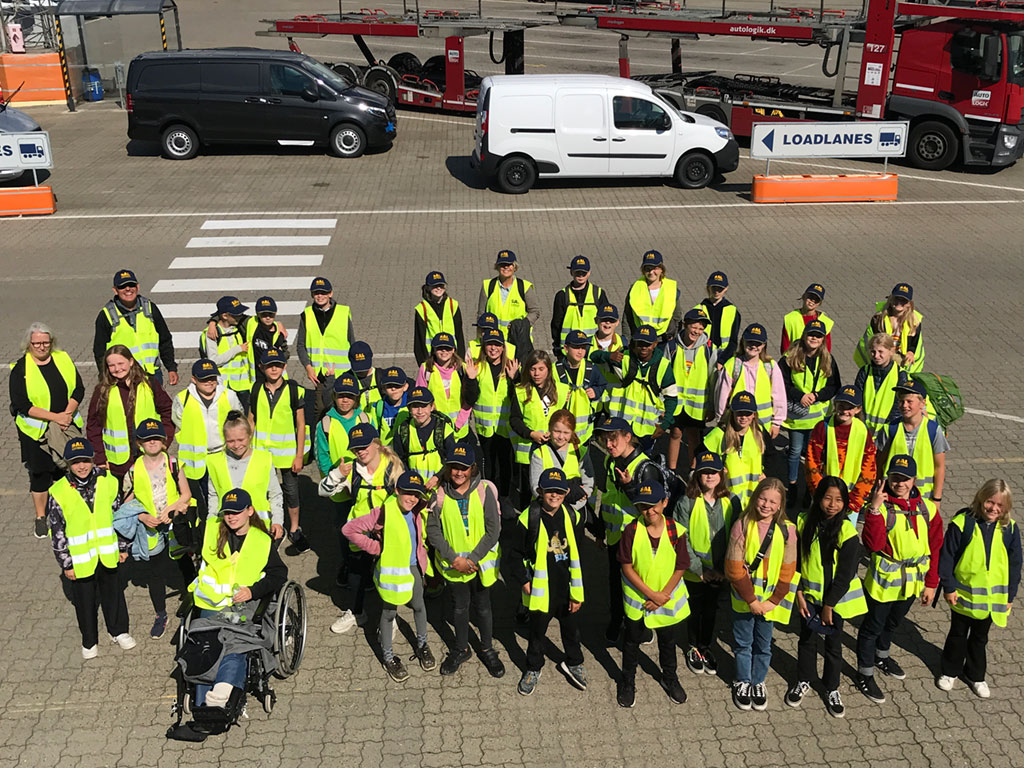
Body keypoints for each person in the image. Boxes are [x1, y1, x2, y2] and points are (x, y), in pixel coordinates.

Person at [186, 488, 287, 715]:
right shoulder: (212, 530)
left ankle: (222, 693)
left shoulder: (262, 541)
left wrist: (252, 591)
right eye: (227, 512)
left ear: (249, 511)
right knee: (206, 641)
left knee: (233, 639)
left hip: (242, 605)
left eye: (237, 512)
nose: (231, 517)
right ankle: (204, 700)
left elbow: (279, 574)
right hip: (212, 603)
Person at [855, 455, 943, 704]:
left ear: (914, 480)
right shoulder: (880, 508)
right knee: (872, 627)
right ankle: (865, 673)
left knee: (893, 623)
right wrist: (872, 509)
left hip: (912, 582)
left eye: (905, 479)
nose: (900, 484)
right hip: (883, 583)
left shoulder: (928, 508)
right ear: (887, 479)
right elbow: (873, 545)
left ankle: (881, 656)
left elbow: (936, 547)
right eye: (895, 478)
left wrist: (932, 583)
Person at [343, 471, 436, 682]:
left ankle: (422, 644)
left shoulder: (417, 508)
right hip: (393, 572)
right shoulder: (383, 512)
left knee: (419, 606)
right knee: (388, 613)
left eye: (416, 494)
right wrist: (376, 547)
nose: (412, 498)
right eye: (407, 493)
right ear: (396, 491)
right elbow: (349, 529)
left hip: (414, 567)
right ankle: (388, 657)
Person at [47, 437, 135, 658]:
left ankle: (118, 631)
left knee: (113, 594)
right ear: (68, 464)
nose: (82, 466)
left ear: (93, 460)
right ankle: (89, 641)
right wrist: (66, 564)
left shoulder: (109, 481)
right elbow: (57, 532)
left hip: (108, 553)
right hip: (80, 560)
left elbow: (120, 517)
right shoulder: (58, 491)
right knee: (84, 602)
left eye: (86, 460)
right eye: (76, 462)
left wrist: (123, 546)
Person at [425, 443, 505, 678]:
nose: (458, 473)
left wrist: (472, 559)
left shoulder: (484, 491)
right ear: (448, 468)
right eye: (454, 468)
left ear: (472, 468)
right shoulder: (438, 494)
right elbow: (433, 531)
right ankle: (461, 648)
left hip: (478, 566)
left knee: (483, 607)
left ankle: (487, 648)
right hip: (454, 566)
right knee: (459, 608)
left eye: (463, 468)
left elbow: (493, 529)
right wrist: (454, 559)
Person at [789, 477, 867, 718]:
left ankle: (831, 688)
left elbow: (845, 575)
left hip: (834, 602)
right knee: (807, 640)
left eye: (839, 500)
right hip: (808, 597)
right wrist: (799, 594)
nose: (832, 504)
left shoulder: (847, 531)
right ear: (817, 498)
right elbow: (795, 561)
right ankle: (804, 680)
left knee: (833, 646)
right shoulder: (802, 521)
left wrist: (829, 606)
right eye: (827, 498)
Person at [937, 480, 1020, 698]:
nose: (994, 509)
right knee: (957, 634)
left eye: (1000, 505)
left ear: (1007, 507)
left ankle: (975, 674)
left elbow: (1015, 564)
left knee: (980, 638)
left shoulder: (1010, 528)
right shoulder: (962, 523)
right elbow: (946, 556)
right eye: (989, 502)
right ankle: (949, 671)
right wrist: (948, 586)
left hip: (992, 599)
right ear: (980, 499)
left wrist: (1010, 595)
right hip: (962, 595)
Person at [319, 423, 404, 634]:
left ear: (376, 444)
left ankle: (389, 619)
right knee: (356, 572)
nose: (360, 452)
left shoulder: (393, 466)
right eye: (356, 448)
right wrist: (337, 474)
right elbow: (323, 492)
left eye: (364, 446)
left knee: (387, 574)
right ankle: (357, 612)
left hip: (385, 531)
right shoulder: (350, 468)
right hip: (358, 531)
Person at [510, 468, 587, 696]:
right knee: (536, 633)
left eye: (559, 492)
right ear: (540, 491)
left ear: (565, 494)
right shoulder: (528, 518)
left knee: (571, 629)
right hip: (540, 589)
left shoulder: (573, 516)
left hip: (566, 586)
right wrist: (524, 581)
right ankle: (534, 667)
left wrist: (577, 592)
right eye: (549, 491)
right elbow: (514, 555)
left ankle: (574, 662)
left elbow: (578, 555)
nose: (554, 496)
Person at [726, 478, 798, 712]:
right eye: (763, 498)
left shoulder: (788, 530)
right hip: (746, 600)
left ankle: (758, 681)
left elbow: (788, 569)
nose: (766, 505)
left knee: (764, 644)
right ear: (756, 497)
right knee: (743, 643)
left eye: (773, 502)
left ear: (780, 505)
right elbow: (733, 568)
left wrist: (772, 601)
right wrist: (753, 601)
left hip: (769, 603)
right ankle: (743, 681)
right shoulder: (743, 525)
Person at [617, 481, 690, 707]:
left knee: (668, 642)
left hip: (664, 601)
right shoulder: (631, 530)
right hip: (639, 601)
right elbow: (626, 566)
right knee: (631, 643)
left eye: (654, 505)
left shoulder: (676, 531)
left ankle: (670, 678)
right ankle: (627, 681)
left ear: (665, 502)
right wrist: (651, 594)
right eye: (643, 507)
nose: (650, 511)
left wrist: (663, 595)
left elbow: (681, 566)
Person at [10, 322, 85, 538]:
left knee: (67, 470)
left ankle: (68, 512)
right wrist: (56, 417)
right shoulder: (20, 369)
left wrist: (67, 414)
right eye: (37, 343)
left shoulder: (63, 358)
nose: (42, 347)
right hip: (36, 433)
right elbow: (21, 404)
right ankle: (41, 517)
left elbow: (78, 389)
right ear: (29, 344)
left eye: (45, 342)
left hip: (65, 426)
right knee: (40, 473)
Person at [120, 418, 193, 639]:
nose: (151, 442)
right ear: (139, 444)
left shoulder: (173, 463)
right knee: (155, 573)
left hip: (175, 525)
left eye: (156, 438)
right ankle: (161, 614)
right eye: (146, 439)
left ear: (164, 442)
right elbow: (126, 505)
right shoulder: (133, 471)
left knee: (185, 563)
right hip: (150, 529)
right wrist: (142, 516)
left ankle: (194, 600)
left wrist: (172, 509)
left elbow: (186, 494)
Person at [593, 416, 661, 643]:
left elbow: (652, 511)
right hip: (615, 537)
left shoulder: (645, 468)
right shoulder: (610, 462)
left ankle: (639, 628)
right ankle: (616, 621)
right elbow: (608, 499)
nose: (609, 445)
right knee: (615, 583)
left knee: (636, 586)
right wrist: (601, 531)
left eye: (613, 439)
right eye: (605, 440)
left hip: (637, 541)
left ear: (628, 437)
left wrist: (630, 487)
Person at [674, 451, 736, 676]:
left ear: (722, 474)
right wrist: (700, 569)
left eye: (714, 472)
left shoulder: (731, 501)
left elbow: (736, 539)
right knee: (694, 611)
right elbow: (682, 539)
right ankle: (693, 647)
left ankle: (705, 646)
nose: (709, 476)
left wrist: (721, 569)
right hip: (695, 573)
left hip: (719, 572)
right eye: (704, 472)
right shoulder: (686, 502)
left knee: (710, 611)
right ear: (697, 475)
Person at [86, 345, 174, 485]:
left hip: (150, 456)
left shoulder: (149, 383)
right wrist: (100, 459)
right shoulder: (103, 390)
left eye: (121, 363)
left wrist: (165, 440)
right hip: (118, 465)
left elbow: (168, 411)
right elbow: (93, 427)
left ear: (131, 361)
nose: (117, 369)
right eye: (112, 365)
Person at [249, 349, 309, 553]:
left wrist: (299, 455)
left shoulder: (294, 390)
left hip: (287, 455)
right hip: (262, 453)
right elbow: (251, 420)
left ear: (284, 366)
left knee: (291, 492)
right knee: (264, 492)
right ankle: (269, 526)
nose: (273, 369)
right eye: (269, 365)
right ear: (261, 367)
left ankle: (294, 529)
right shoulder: (255, 389)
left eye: (278, 365)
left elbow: (301, 424)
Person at [314, 373, 370, 586]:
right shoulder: (325, 424)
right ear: (334, 396)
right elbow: (323, 458)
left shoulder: (364, 418)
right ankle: (348, 565)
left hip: (364, 484)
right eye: (341, 396)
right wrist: (336, 479)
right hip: (340, 489)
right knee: (344, 528)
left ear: (356, 398)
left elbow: (375, 448)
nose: (345, 400)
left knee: (365, 525)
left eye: (350, 396)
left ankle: (366, 566)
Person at [171, 360, 243, 524]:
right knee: (205, 502)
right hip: (198, 461)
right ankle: (207, 532)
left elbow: (239, 418)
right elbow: (178, 421)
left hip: (224, 455)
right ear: (193, 379)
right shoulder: (182, 399)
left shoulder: (228, 395)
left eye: (212, 377)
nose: (209, 382)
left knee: (228, 496)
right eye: (204, 379)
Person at [779, 319, 840, 505]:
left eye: (818, 336)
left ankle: (809, 490)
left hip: (818, 419)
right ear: (804, 335)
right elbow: (781, 384)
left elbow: (835, 386)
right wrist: (799, 396)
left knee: (813, 455)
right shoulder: (790, 357)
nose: (814, 338)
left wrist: (818, 395)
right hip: (797, 417)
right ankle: (793, 487)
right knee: (795, 452)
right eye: (811, 334)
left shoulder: (828, 359)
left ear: (823, 340)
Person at [591, 324, 676, 449]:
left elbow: (671, 397)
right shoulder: (623, 358)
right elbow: (594, 356)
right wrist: (608, 356)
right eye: (640, 343)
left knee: (642, 464)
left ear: (655, 344)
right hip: (621, 426)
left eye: (647, 344)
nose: (643, 347)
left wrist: (664, 425)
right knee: (617, 463)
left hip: (647, 429)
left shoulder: (663, 366)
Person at [805, 384, 877, 524]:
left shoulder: (862, 431)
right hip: (824, 500)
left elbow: (869, 469)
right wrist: (821, 496)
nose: (845, 411)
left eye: (849, 407)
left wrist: (855, 500)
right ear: (835, 405)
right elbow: (811, 463)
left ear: (858, 409)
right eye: (841, 406)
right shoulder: (822, 427)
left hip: (851, 502)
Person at [206, 411, 284, 538]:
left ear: (250, 435)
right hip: (226, 527)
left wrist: (277, 522)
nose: (236, 445)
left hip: (259, 527)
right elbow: (213, 496)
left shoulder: (264, 459)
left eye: (241, 440)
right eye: (230, 441)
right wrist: (211, 524)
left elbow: (275, 495)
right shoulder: (214, 462)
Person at [93, 268, 178, 385]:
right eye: (122, 286)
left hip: (152, 375)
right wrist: (105, 377)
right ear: (115, 290)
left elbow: (165, 339)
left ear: (137, 287)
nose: (128, 289)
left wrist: (171, 367)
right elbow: (100, 351)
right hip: (122, 377)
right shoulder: (106, 316)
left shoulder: (150, 308)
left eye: (131, 285)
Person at [509, 350, 570, 507]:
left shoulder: (562, 391)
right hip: (528, 451)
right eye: (533, 369)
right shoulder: (520, 390)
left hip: (553, 449)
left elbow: (565, 419)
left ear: (548, 370)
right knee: (528, 491)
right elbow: (514, 420)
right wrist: (531, 434)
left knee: (551, 488)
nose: (536, 374)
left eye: (541, 369)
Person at [875, 379, 948, 503]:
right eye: (901, 401)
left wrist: (937, 498)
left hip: (923, 499)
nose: (904, 405)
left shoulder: (933, 430)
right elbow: (878, 463)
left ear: (922, 403)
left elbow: (939, 467)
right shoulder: (889, 429)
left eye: (909, 401)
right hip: (892, 496)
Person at [664, 308, 714, 473]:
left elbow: (713, 380)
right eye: (694, 327)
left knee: (694, 436)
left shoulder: (709, 349)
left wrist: (712, 406)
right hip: (675, 402)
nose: (697, 331)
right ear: (685, 325)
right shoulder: (671, 346)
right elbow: (662, 375)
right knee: (675, 433)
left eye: (701, 329)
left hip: (697, 405)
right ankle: (671, 471)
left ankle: (693, 470)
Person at [715, 323, 785, 441]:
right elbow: (721, 395)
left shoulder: (770, 366)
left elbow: (779, 395)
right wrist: (721, 419)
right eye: (750, 342)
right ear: (743, 342)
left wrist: (777, 423)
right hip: (737, 424)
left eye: (758, 343)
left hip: (763, 425)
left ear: (764, 345)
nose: (754, 346)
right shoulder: (732, 365)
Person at [471, 329, 518, 502]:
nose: (493, 348)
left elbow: (518, 397)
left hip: (505, 426)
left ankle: (504, 498)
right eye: (490, 344)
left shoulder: (510, 366)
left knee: (505, 462)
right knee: (488, 463)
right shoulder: (478, 367)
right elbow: (470, 397)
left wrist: (515, 378)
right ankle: (489, 498)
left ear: (503, 347)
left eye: (497, 344)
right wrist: (470, 379)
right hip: (485, 426)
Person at [297, 276, 355, 413]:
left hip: (342, 373)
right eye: (316, 293)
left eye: (323, 292)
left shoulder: (343, 312)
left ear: (330, 294)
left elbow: (353, 342)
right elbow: (300, 346)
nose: (320, 296)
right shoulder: (307, 315)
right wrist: (308, 367)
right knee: (321, 410)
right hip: (320, 376)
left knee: (344, 409)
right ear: (312, 295)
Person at [529, 410, 595, 516]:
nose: (560, 437)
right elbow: (535, 487)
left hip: (575, 508)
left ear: (572, 432)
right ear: (550, 429)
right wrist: (554, 506)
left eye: (566, 433)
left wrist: (581, 498)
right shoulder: (539, 453)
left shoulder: (580, 451)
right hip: (547, 510)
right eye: (557, 431)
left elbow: (589, 483)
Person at [703, 392, 766, 503]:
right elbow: (701, 457)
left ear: (754, 415)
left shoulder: (759, 432)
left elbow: (772, 456)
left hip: (753, 496)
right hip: (726, 495)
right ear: (732, 413)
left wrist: (766, 473)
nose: (743, 417)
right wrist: (717, 469)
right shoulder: (719, 434)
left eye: (747, 413)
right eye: (739, 413)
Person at [415, 332, 479, 441]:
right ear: (434, 350)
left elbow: (469, 400)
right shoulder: (426, 369)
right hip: (435, 429)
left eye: (448, 348)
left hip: (459, 430)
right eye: (440, 348)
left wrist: (459, 422)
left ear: (454, 350)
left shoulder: (463, 369)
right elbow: (421, 399)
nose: (444, 351)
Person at [477, 249, 540, 356]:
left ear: (514, 267)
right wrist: (480, 340)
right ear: (497, 267)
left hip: (518, 342)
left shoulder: (524, 287)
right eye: (502, 264)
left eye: (509, 264)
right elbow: (481, 315)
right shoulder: (488, 286)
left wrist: (522, 324)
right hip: (494, 343)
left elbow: (535, 312)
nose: (506, 267)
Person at [853, 283, 925, 374]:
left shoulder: (914, 321)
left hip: (902, 360)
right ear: (890, 299)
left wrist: (911, 352)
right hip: (883, 357)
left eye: (903, 300)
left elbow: (915, 341)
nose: (899, 303)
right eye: (896, 298)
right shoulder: (879, 318)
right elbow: (875, 340)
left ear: (909, 304)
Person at [391, 387, 456, 486]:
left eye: (424, 406)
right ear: (409, 409)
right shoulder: (402, 431)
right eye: (415, 407)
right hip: (413, 488)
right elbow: (399, 459)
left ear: (432, 407)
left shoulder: (444, 429)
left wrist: (438, 477)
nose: (420, 411)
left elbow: (452, 459)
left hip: (441, 485)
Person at [198, 296, 253, 412]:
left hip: (242, 386)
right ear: (224, 316)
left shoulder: (237, 327)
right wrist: (238, 349)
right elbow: (213, 361)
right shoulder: (212, 334)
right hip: (224, 386)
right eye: (236, 314)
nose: (240, 316)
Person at [555, 330, 606, 448]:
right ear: (566, 348)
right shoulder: (555, 370)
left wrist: (596, 392)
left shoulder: (592, 368)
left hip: (584, 432)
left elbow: (602, 384)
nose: (580, 351)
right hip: (561, 430)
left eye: (584, 348)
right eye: (576, 347)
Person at [551, 255, 608, 353]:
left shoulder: (598, 294)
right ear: (571, 272)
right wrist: (558, 348)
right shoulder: (562, 296)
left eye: (584, 273)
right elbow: (556, 324)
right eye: (578, 273)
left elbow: (607, 321)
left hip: (593, 349)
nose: (581, 276)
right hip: (569, 350)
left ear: (589, 273)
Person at [854, 333, 909, 435]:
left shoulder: (900, 375)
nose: (876, 356)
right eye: (873, 352)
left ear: (891, 351)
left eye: (880, 352)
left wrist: (887, 429)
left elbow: (898, 406)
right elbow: (858, 399)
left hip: (887, 431)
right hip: (864, 430)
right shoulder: (865, 371)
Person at [623, 249, 680, 343]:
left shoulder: (672, 289)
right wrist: (626, 341)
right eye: (647, 268)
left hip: (664, 340)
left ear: (661, 269)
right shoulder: (635, 288)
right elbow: (627, 317)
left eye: (655, 268)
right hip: (640, 339)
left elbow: (677, 318)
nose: (651, 272)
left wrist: (674, 339)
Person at [414, 270, 466, 365]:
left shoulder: (452, 305)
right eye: (434, 286)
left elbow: (459, 335)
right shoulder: (422, 309)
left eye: (441, 285)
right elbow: (419, 341)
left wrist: (461, 360)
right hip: (432, 357)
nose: (438, 288)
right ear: (428, 288)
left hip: (452, 356)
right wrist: (424, 365)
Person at [696, 271, 741, 366]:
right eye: (714, 288)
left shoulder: (732, 311)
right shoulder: (698, 309)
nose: (716, 291)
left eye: (720, 289)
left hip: (723, 357)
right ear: (708, 287)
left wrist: (722, 361)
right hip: (701, 356)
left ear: (726, 289)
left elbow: (733, 341)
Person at [246, 296, 289, 387]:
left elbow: (286, 354)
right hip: (257, 376)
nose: (268, 317)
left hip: (274, 376)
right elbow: (230, 313)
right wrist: (213, 322)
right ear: (257, 314)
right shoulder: (251, 324)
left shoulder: (279, 334)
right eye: (264, 315)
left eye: (271, 314)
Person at [780, 283, 833, 354]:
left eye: (816, 299)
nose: (812, 301)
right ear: (804, 296)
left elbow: (827, 350)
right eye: (810, 297)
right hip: (795, 362)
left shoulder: (826, 322)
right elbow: (785, 347)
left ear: (819, 303)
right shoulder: (790, 318)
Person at [366, 366, 409, 445]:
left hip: (406, 453)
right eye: (389, 386)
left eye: (397, 385)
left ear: (405, 387)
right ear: (383, 388)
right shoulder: (377, 407)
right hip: (385, 453)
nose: (393, 388)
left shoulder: (411, 406)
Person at [589, 303, 624, 387]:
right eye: (604, 319)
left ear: (617, 322)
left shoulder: (624, 343)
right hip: (593, 395)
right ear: (596, 320)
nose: (608, 323)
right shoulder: (586, 344)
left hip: (617, 396)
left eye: (612, 320)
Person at [350, 341, 384, 413]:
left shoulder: (382, 375)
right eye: (358, 368)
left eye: (364, 366)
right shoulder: (348, 378)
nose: (361, 372)